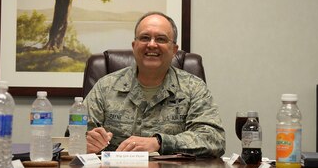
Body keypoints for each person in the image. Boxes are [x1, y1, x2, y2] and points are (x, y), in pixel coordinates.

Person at [84, 12, 225, 157]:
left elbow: (214, 140)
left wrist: (159, 142)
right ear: (134, 46)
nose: (151, 44)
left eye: (161, 39)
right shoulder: (105, 87)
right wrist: (87, 142)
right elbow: (74, 135)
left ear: (174, 50)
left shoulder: (193, 88)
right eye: (145, 38)